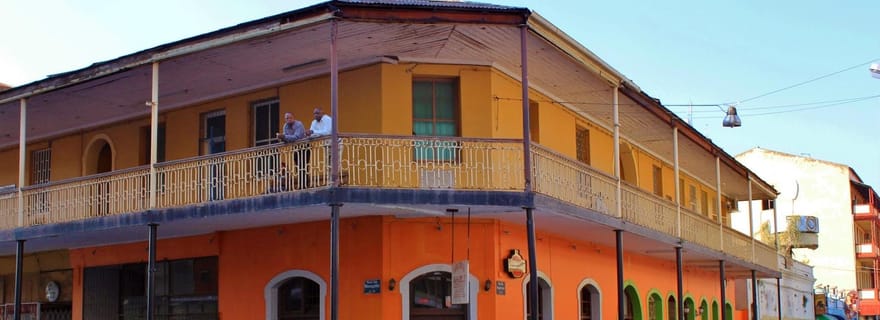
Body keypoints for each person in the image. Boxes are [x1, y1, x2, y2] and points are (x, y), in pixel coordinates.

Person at [275, 112, 310, 189]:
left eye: (290, 118)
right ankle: (301, 184)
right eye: (287, 118)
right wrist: (281, 138)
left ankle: (304, 184)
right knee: (297, 165)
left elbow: (296, 137)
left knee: (303, 165)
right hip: (296, 148)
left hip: (304, 146)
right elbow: (286, 139)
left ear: (293, 118)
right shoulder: (285, 126)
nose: (289, 119)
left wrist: (284, 137)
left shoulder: (299, 124)